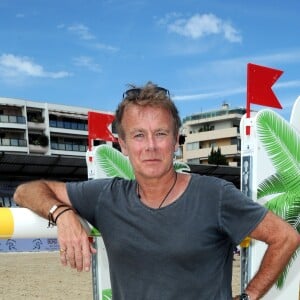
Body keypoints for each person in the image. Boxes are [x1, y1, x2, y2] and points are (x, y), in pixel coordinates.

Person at [14, 82, 299, 300]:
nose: (150, 146)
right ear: (123, 145)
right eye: (138, 135)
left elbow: (285, 237)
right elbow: (27, 190)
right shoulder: (106, 197)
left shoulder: (215, 195)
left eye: (160, 133)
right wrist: (61, 213)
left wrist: (248, 296)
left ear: (175, 140)